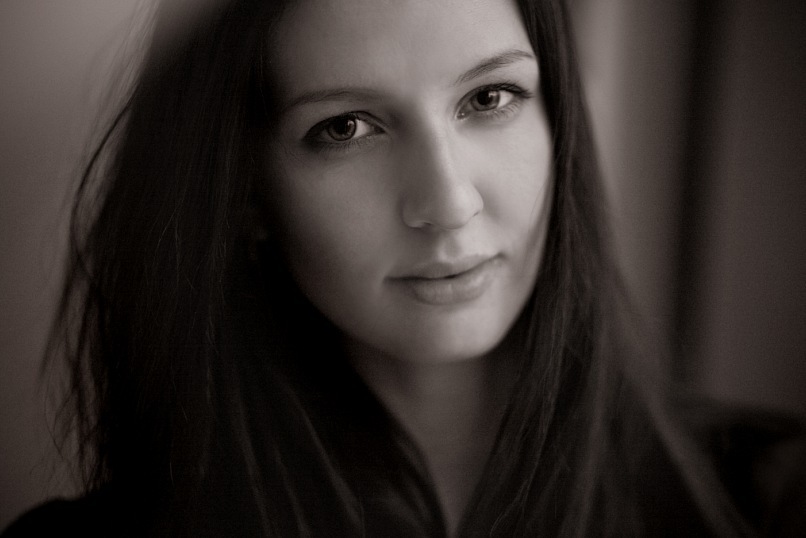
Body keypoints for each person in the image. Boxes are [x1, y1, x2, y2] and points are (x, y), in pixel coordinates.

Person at [3, 0, 759, 536]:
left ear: (556, 118)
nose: (448, 202)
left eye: (490, 97)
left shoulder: (769, 501)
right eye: (346, 128)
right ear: (245, 194)